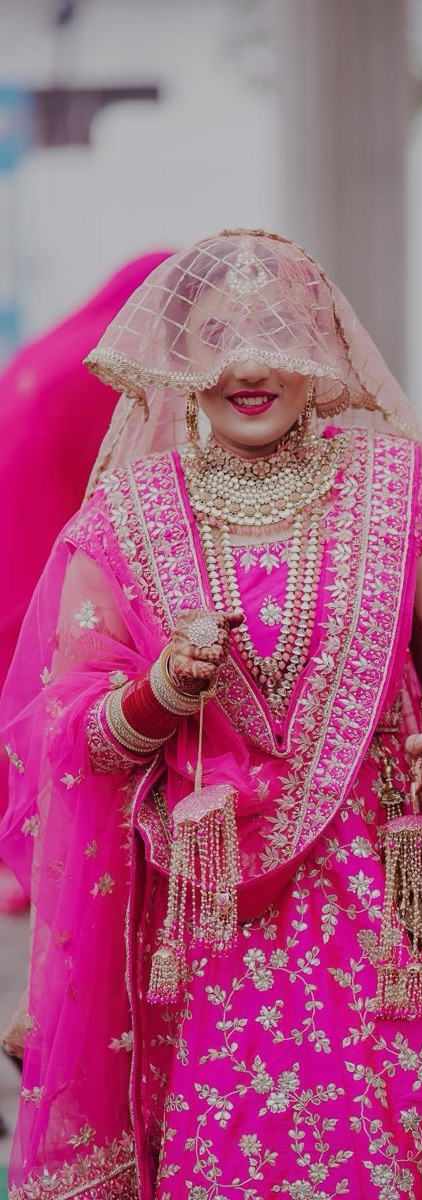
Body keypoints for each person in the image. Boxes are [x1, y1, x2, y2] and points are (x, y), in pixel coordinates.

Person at [0, 230, 422, 1199]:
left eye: (279, 333)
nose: (252, 364)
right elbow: (71, 729)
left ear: (327, 347)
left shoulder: (398, 492)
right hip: (211, 916)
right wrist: (165, 692)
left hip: (384, 901)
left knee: (398, 1156)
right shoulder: (124, 520)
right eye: (220, 336)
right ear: (180, 357)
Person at [0, 251, 172, 923]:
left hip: (17, 546)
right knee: (56, 698)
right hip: (42, 550)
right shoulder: (112, 367)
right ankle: (39, 856)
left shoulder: (53, 350)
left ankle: (24, 853)